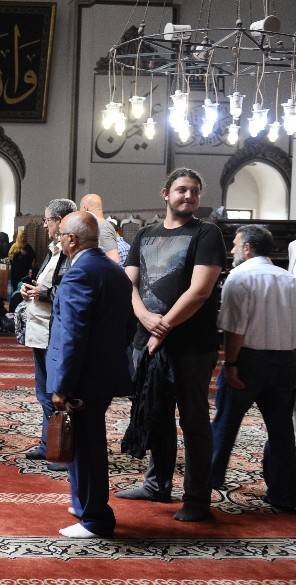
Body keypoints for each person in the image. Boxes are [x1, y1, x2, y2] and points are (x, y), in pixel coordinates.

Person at [119, 168, 226, 522]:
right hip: (146, 341)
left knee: (193, 419)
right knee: (156, 413)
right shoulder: (145, 234)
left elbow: (200, 291)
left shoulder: (207, 233)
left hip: (191, 346)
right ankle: (157, 484)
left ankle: (197, 498)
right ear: (166, 193)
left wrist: (160, 327)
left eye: (194, 191)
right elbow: (129, 283)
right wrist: (144, 318)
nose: (189, 196)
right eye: (181, 190)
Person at [46, 211, 133, 538]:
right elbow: (126, 327)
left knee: (87, 447)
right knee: (87, 443)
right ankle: (85, 504)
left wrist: (62, 385)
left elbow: (73, 335)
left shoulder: (79, 273)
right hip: (103, 373)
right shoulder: (114, 271)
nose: (57, 240)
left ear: (71, 239)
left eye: (60, 236)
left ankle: (95, 517)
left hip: (82, 376)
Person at [210, 224, 296, 511]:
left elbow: (235, 330)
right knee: (282, 431)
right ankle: (283, 494)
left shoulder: (240, 276)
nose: (233, 250)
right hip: (285, 362)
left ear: (247, 248)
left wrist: (231, 364)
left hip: (248, 361)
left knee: (224, 424)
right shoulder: (289, 279)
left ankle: (207, 483)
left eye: (235, 245)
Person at [20, 198, 77, 465]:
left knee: (57, 394)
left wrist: (43, 292)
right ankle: (48, 443)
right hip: (41, 329)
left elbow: (69, 295)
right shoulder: (54, 250)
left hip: (53, 331)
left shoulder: (70, 254)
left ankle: (61, 447)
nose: (44, 225)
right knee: (44, 392)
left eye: (47, 220)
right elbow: (47, 283)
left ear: (60, 221)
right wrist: (30, 290)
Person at [79, 193, 121, 263]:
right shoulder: (98, 226)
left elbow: (114, 259)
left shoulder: (102, 227)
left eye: (80, 208)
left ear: (85, 208)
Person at [7, 225, 35, 291]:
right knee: (15, 286)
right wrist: (18, 252)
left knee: (24, 287)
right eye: (21, 237)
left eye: (24, 237)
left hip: (25, 270)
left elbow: (33, 256)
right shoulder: (14, 246)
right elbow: (10, 256)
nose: (23, 239)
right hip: (16, 270)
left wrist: (26, 254)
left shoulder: (28, 247)